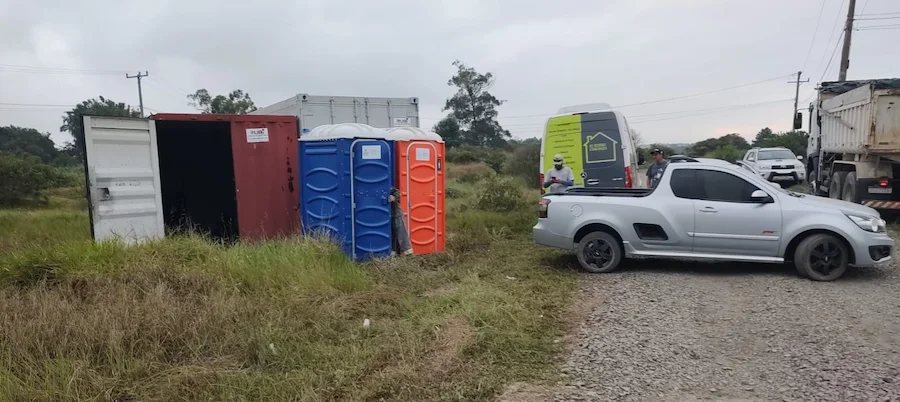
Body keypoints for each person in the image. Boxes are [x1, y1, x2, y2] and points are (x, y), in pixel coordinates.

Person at [388, 187, 413, 256]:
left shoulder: (387, 185)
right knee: (392, 233)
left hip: (396, 213)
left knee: (401, 232)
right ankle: (394, 252)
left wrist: (393, 197)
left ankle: (408, 252)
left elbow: (397, 193)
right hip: (385, 216)